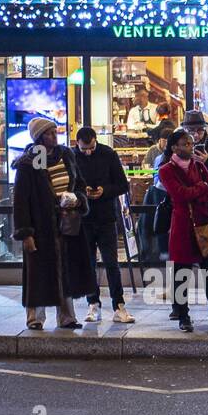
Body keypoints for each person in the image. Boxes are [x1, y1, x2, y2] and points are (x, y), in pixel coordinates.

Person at [12, 117, 95, 331]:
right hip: (41, 225)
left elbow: (79, 184)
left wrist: (77, 199)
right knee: (38, 272)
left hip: (67, 222)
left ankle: (67, 317)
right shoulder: (29, 162)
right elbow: (21, 201)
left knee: (65, 269)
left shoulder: (66, 155)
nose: (53, 136)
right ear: (39, 137)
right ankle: (35, 318)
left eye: (55, 132)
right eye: (48, 133)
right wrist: (26, 233)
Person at [159, 127, 208, 332]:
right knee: (181, 273)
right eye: (185, 143)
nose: (190, 146)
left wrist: (200, 189)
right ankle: (183, 316)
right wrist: (200, 188)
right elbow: (180, 195)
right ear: (174, 147)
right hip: (182, 226)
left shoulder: (200, 166)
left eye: (191, 143)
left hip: (204, 225)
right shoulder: (166, 170)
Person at [74, 126, 134, 324]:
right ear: (77, 144)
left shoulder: (108, 154)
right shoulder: (72, 157)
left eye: (91, 147)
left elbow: (123, 184)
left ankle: (119, 305)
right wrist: (84, 193)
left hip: (106, 216)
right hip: (84, 218)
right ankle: (93, 304)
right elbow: (69, 186)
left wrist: (104, 190)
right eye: (84, 149)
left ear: (95, 141)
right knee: (88, 263)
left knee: (111, 263)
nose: (88, 152)